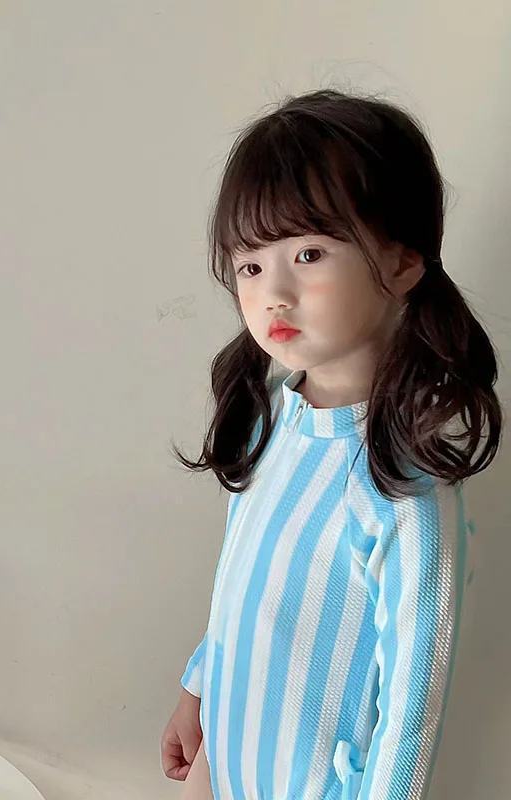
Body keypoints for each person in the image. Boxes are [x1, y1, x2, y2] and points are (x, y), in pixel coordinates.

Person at [161, 90, 502, 800]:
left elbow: (413, 710)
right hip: (223, 761)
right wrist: (199, 688)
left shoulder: (405, 489)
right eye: (250, 266)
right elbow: (245, 588)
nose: (274, 293)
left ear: (402, 262)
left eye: (309, 253)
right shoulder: (269, 422)